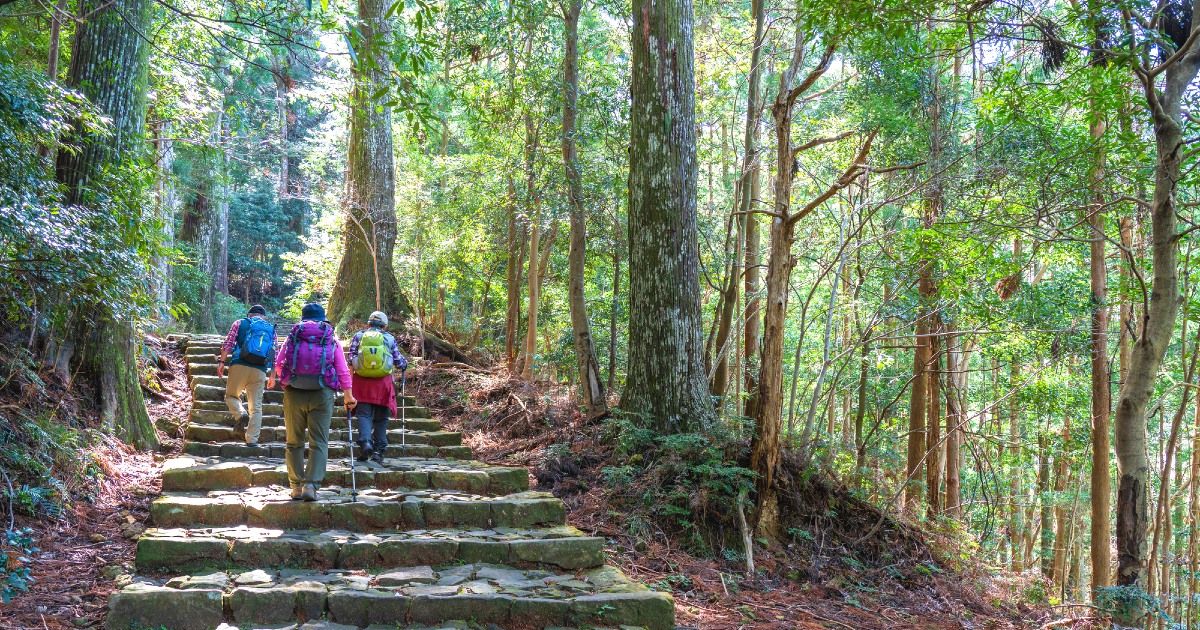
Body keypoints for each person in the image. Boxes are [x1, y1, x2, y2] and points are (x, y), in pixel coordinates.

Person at [272, 302, 355, 502]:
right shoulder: (330, 336)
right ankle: (311, 485)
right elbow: (342, 369)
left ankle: (295, 486)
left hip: (294, 393)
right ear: (322, 318)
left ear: (303, 318)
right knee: (319, 441)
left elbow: (278, 363)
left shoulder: (294, 335)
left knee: (293, 442)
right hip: (322, 392)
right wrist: (348, 394)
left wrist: (286, 382)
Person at [347, 311, 408, 465]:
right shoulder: (389, 338)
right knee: (381, 418)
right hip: (383, 383)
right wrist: (404, 364)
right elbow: (398, 361)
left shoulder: (359, 336)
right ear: (385, 325)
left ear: (368, 323)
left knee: (364, 414)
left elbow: (351, 358)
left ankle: (365, 443)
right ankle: (378, 452)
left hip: (362, 383)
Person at [217, 305, 275, 445]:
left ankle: (240, 414)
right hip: (260, 370)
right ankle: (252, 440)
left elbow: (228, 344)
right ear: (263, 316)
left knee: (231, 396)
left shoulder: (239, 323)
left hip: (239, 365)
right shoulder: (270, 329)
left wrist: (222, 362)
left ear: (249, 314)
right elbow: (274, 352)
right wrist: (272, 375)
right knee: (256, 407)